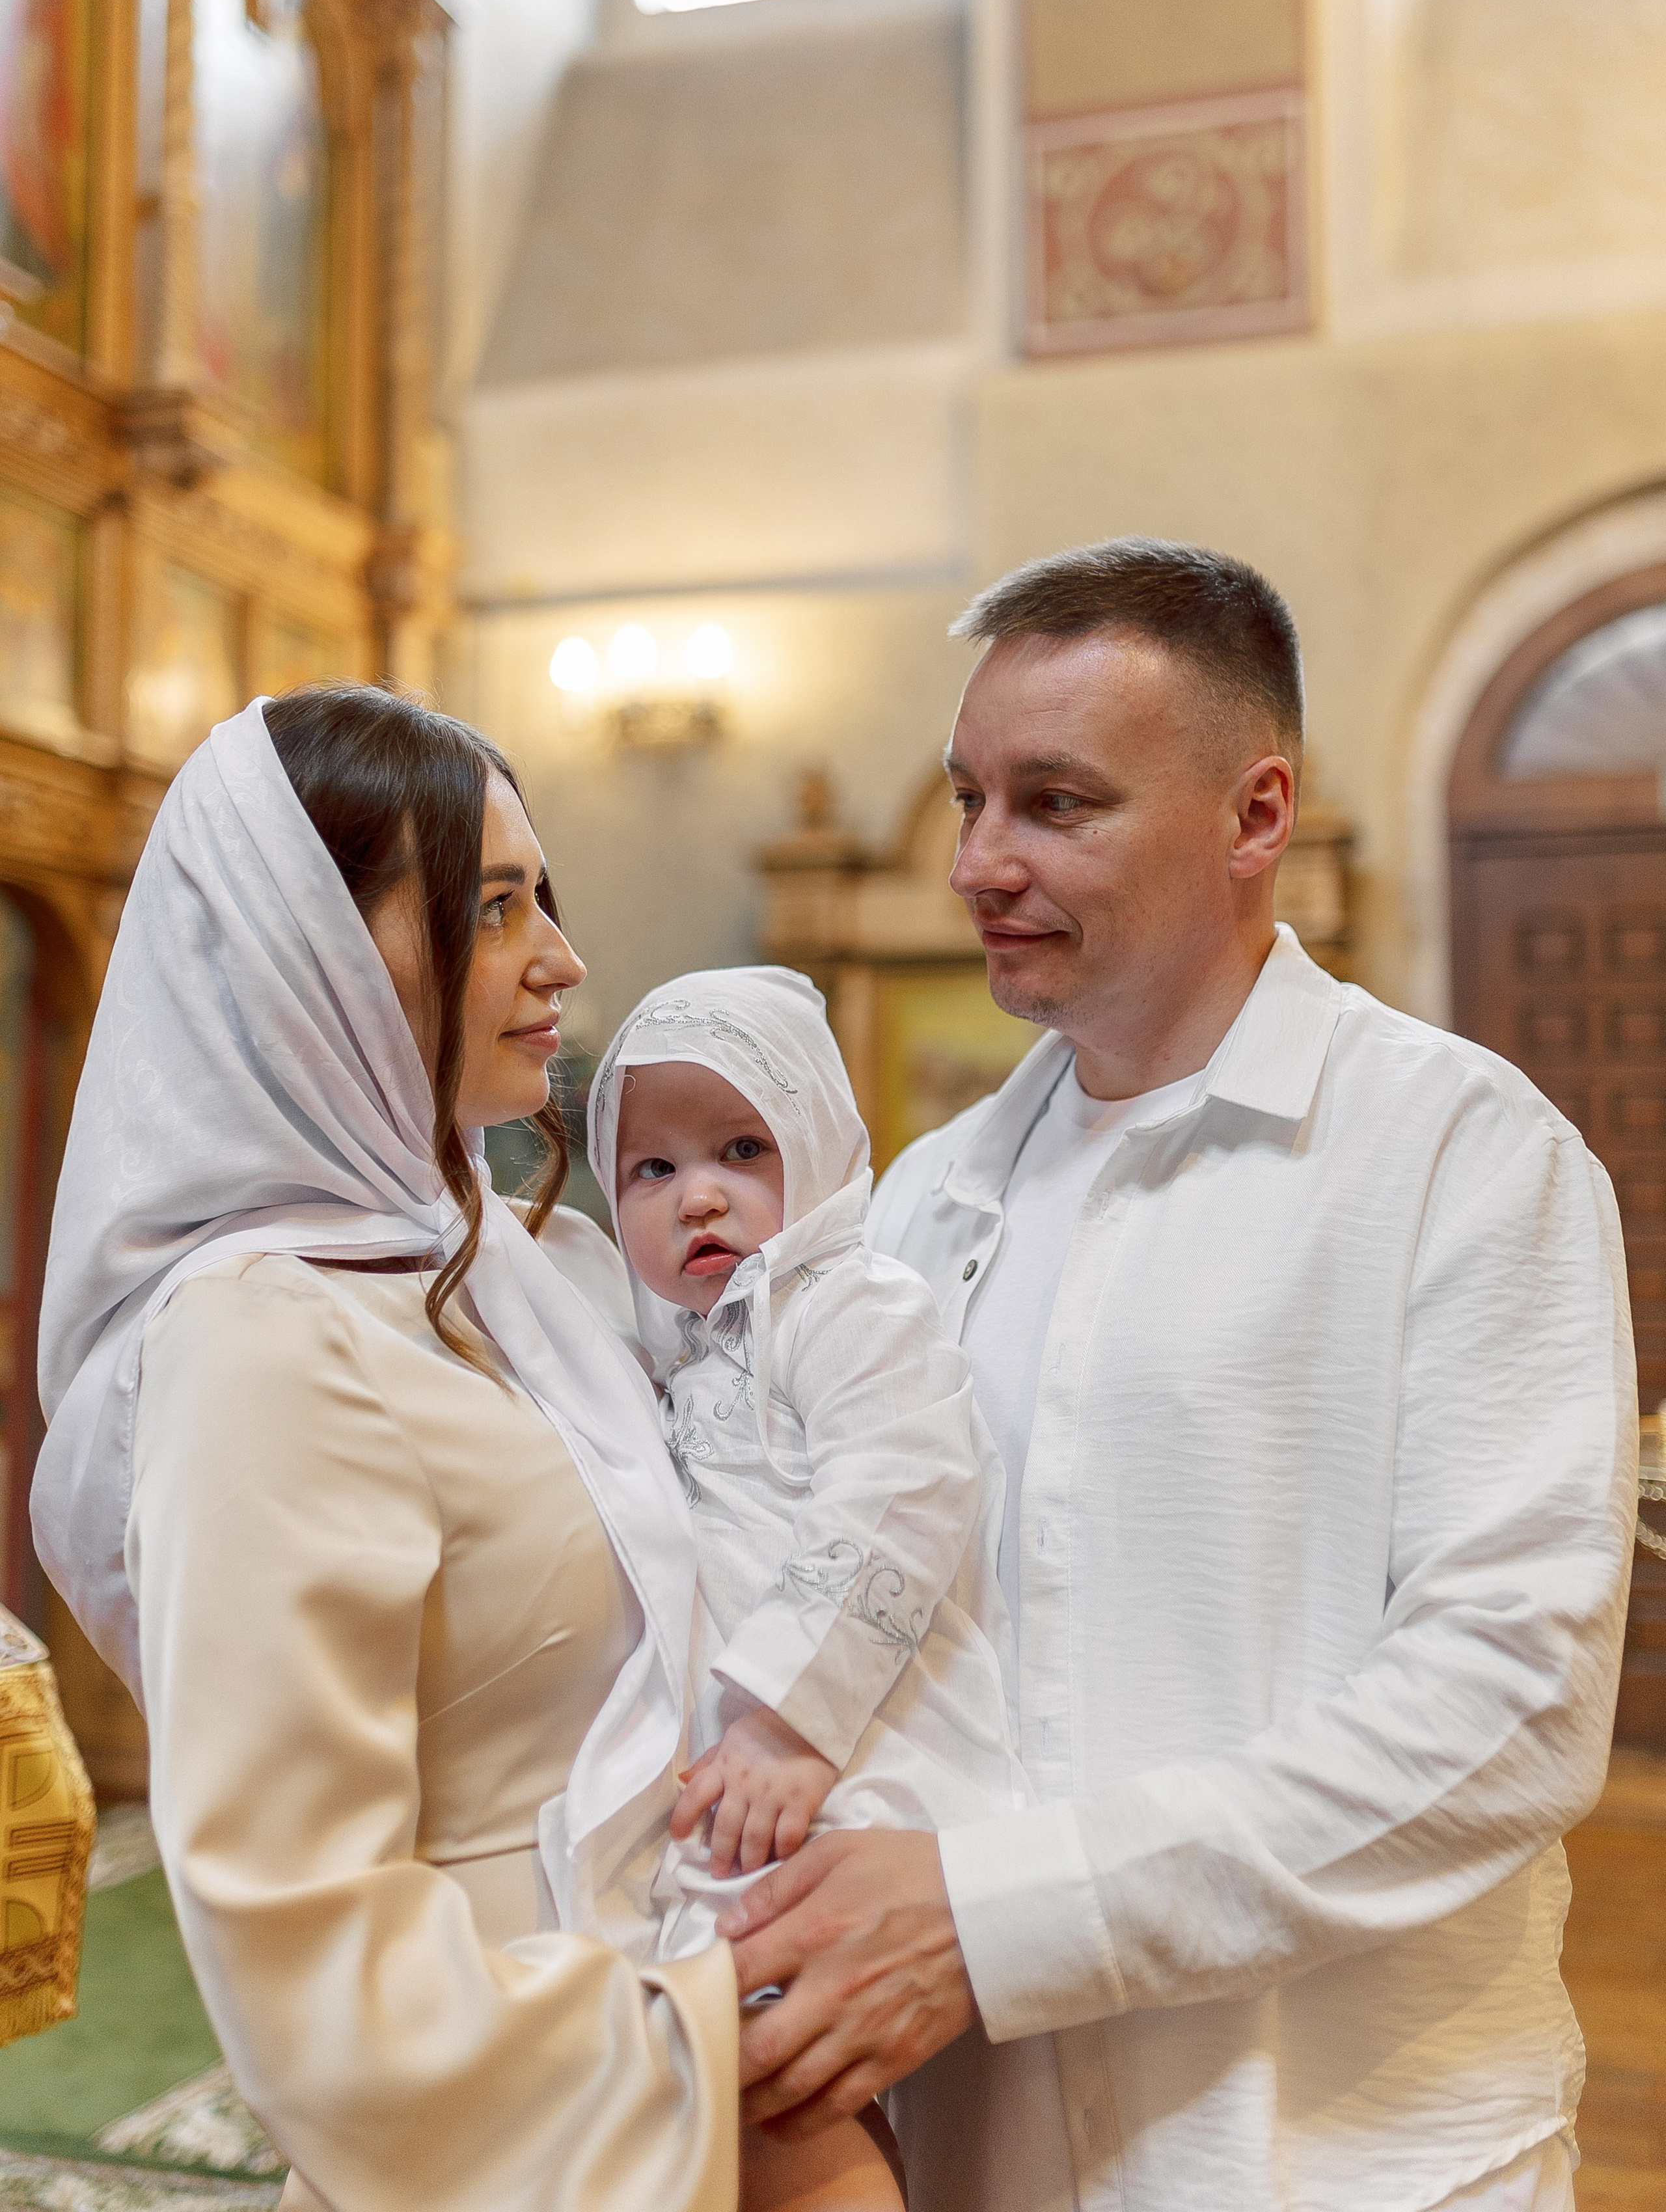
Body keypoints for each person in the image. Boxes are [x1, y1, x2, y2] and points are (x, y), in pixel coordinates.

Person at [719, 539, 1640, 2212]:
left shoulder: (1459, 1154)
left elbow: (1503, 1707)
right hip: (973, 2143)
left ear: (1254, 816)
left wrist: (1000, 1917)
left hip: (1337, 2149)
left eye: (1055, 804)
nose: (977, 862)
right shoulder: (921, 1203)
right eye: (966, 798)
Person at [32, 686, 743, 2212]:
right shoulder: (261, 1343)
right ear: (313, 963)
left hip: (647, 2013)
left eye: (540, 899)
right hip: (521, 2117)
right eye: (491, 910)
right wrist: (723, 2031)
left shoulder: (499, 1273)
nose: (561, 960)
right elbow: (313, 1954)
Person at [586, 966, 1060, 2199]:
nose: (698, 1195)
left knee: (765, 2051)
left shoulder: (850, 1303)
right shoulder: (670, 1345)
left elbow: (901, 1497)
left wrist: (792, 1718)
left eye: (742, 1150)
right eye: (652, 1168)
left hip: (860, 1736)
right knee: (733, 2056)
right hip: (748, 1759)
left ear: (818, 1147)